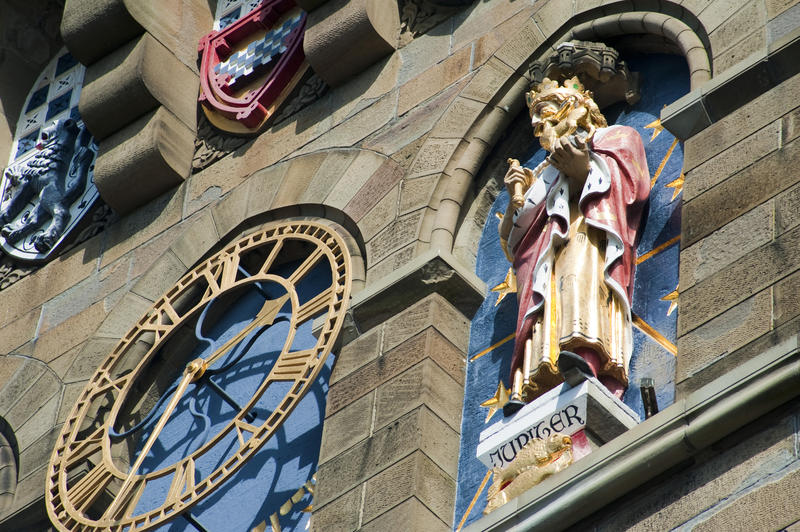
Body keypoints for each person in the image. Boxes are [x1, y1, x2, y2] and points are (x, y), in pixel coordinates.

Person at [498, 76, 650, 409]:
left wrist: (582, 169)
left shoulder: (615, 137)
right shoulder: (541, 172)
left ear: (574, 108)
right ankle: (535, 384)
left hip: (589, 229)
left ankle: (586, 360)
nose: (539, 123)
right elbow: (514, 245)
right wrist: (515, 201)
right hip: (548, 248)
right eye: (535, 120)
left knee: (579, 281)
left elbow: (632, 184)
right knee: (545, 302)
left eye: (546, 111)